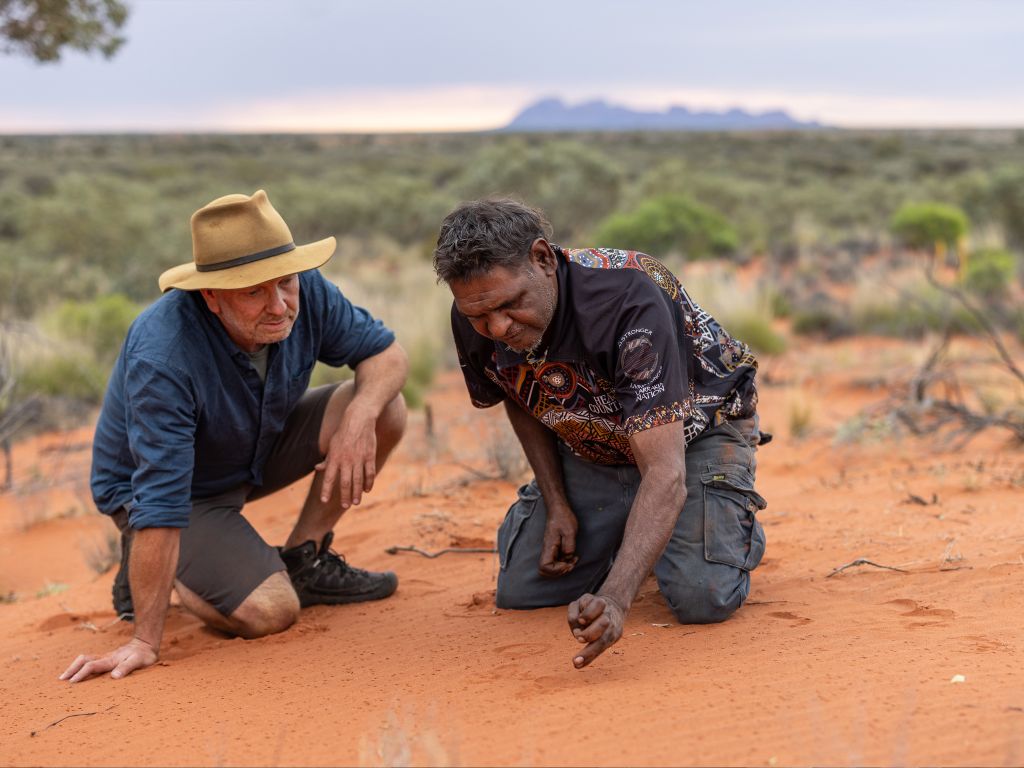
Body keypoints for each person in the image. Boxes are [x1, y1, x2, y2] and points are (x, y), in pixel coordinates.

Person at [62, 190, 408, 683]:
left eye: (285, 282)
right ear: (212, 295)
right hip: (171, 490)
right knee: (272, 610)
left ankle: (304, 560)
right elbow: (161, 498)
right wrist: (145, 640)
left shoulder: (305, 290)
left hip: (250, 445)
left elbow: (387, 355)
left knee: (384, 408)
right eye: (253, 292)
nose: (279, 305)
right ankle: (160, 568)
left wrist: (359, 418)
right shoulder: (163, 354)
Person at [433, 198, 768, 669]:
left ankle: (725, 519)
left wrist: (615, 598)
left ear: (543, 258)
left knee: (701, 594)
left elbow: (666, 472)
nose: (498, 327)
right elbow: (516, 392)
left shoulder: (628, 299)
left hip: (694, 435)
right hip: (594, 441)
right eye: (479, 317)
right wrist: (556, 501)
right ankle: (639, 525)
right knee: (523, 590)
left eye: (510, 305)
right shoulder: (478, 314)